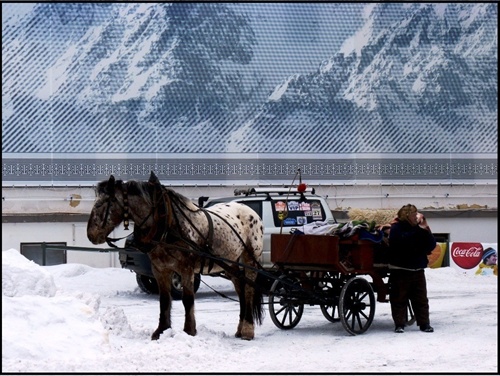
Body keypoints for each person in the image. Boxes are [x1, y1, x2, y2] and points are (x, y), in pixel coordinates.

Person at [388, 204, 436, 333]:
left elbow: (432, 245)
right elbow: (399, 242)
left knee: (421, 299)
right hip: (400, 269)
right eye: (414, 214)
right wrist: (417, 230)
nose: (417, 217)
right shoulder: (397, 227)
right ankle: (399, 324)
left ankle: (424, 324)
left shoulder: (420, 228)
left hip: (417, 269)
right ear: (407, 216)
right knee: (399, 298)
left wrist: (426, 230)